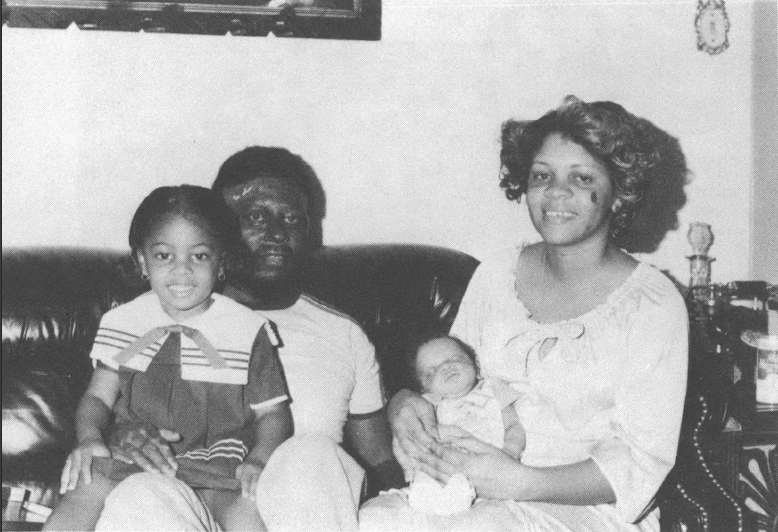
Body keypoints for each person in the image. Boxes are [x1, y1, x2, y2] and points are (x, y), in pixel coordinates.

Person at [383, 95, 689, 531]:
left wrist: (519, 481)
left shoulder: (653, 305)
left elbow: (641, 459)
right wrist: (403, 403)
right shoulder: (495, 276)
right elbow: (449, 376)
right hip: (467, 490)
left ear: (620, 193)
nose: (556, 192)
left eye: (582, 178)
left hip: (585, 513)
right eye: (542, 175)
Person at [95, 147, 403, 532]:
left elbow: (380, 460)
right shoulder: (150, 318)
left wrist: (409, 399)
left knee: (310, 453)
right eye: (257, 217)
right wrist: (119, 432)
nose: (277, 233)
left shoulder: (344, 334)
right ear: (218, 229)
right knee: (140, 494)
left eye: (292, 218)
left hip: (305, 513)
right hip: (181, 505)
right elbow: (97, 406)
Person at [43, 185, 293, 531]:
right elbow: (98, 396)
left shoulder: (247, 330)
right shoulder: (123, 322)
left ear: (222, 262)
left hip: (219, 466)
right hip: (135, 456)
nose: (182, 271)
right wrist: (89, 438)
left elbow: (273, 413)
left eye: (200, 256)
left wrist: (259, 459)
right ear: (142, 261)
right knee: (82, 489)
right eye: (164, 256)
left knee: (249, 512)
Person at [362, 334, 524, 524]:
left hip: (488, 468)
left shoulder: (494, 389)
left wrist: (511, 452)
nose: (446, 367)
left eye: (455, 359)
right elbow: (411, 438)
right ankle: (426, 503)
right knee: (415, 497)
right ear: (423, 388)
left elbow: (513, 426)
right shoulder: (428, 404)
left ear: (475, 365)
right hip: (440, 469)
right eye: (432, 372)